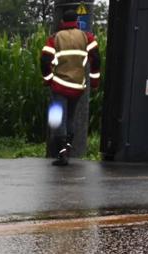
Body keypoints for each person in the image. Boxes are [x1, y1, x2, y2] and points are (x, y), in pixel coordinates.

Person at [40, 8, 102, 166]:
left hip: (59, 86)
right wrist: (94, 81)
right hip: (77, 87)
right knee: (70, 118)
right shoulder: (86, 37)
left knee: (57, 119)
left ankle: (61, 154)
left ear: (62, 22)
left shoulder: (55, 38)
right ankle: (67, 148)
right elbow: (96, 59)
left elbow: (45, 60)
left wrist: (48, 79)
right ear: (76, 22)